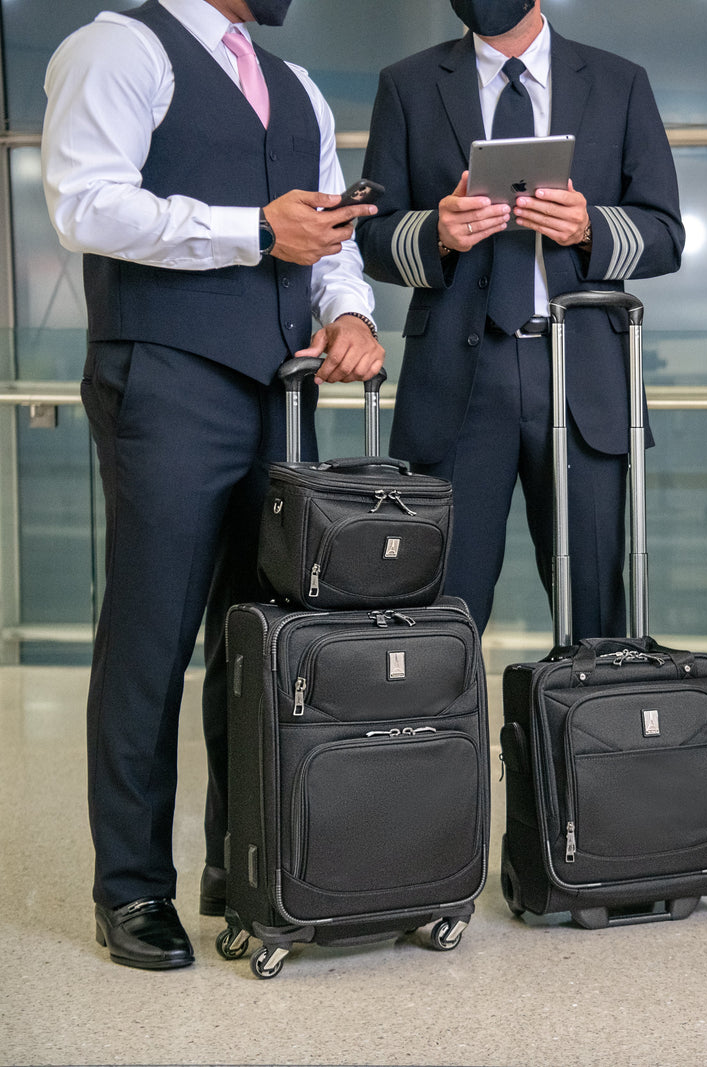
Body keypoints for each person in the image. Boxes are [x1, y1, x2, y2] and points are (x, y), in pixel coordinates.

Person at [42, 0, 383, 969]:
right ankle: (132, 885)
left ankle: (241, 860)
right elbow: (85, 203)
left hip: (279, 395)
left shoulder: (299, 89)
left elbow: (330, 240)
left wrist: (351, 314)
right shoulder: (121, 48)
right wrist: (249, 232)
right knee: (151, 638)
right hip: (165, 379)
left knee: (256, 641)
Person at [356, 0, 683, 641]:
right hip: (456, 377)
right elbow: (372, 239)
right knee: (439, 608)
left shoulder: (619, 82)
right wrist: (437, 233)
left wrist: (590, 228)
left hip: (581, 371)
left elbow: (667, 234)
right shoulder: (408, 84)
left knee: (594, 613)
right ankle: (442, 741)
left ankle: (580, 740)